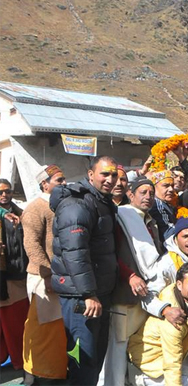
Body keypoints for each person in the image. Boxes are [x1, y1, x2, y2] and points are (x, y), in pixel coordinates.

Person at [97, 177, 173, 386]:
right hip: (125, 291)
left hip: (148, 291)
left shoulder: (151, 222)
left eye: (150, 192)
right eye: (143, 192)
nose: (148, 197)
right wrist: (129, 275)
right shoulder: (122, 217)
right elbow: (112, 254)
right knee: (118, 343)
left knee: (138, 340)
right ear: (131, 195)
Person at [50, 156, 119, 385]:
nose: (110, 179)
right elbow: (75, 251)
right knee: (82, 361)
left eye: (114, 175)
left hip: (98, 294)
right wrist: (88, 293)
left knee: (94, 361)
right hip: (81, 298)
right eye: (104, 174)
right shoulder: (77, 204)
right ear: (91, 175)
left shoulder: (101, 201)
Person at [21, 165, 68, 384]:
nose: (64, 183)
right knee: (43, 330)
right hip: (43, 279)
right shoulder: (35, 208)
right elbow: (31, 245)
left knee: (58, 330)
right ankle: (39, 374)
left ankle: (56, 371)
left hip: (61, 277)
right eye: (59, 180)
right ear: (44, 184)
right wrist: (47, 275)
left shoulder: (61, 205)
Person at [0, 178, 28, 374]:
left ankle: (20, 361)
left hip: (18, 276)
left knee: (17, 323)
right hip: (3, 277)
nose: (4, 195)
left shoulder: (21, 214)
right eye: (0, 192)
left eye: (7, 191)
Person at [148, 170, 177, 244]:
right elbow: (168, 232)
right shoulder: (157, 204)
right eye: (166, 186)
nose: (171, 189)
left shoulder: (166, 203)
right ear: (154, 187)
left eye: (172, 186)